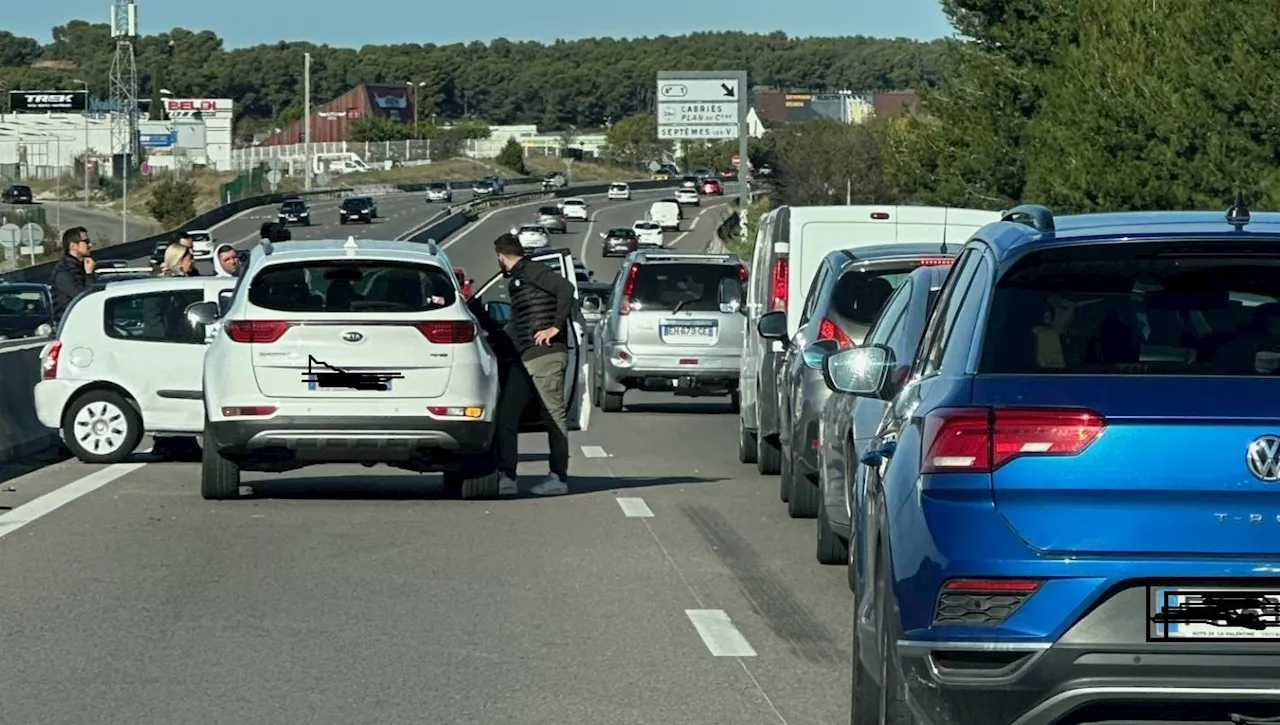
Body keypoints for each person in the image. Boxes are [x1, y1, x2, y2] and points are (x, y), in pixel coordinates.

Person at [491, 233, 576, 496]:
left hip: (546, 355)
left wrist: (555, 327)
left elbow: (566, 288)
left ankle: (558, 478)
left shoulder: (533, 270)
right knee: (507, 416)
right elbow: (516, 324)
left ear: (501, 257)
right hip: (524, 357)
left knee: (553, 417)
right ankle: (507, 476)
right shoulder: (519, 279)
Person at [50, 226, 95, 320]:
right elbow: (84, 299)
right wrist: (89, 275)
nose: (90, 245)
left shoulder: (82, 266)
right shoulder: (64, 272)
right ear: (73, 246)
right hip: (71, 325)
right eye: (85, 242)